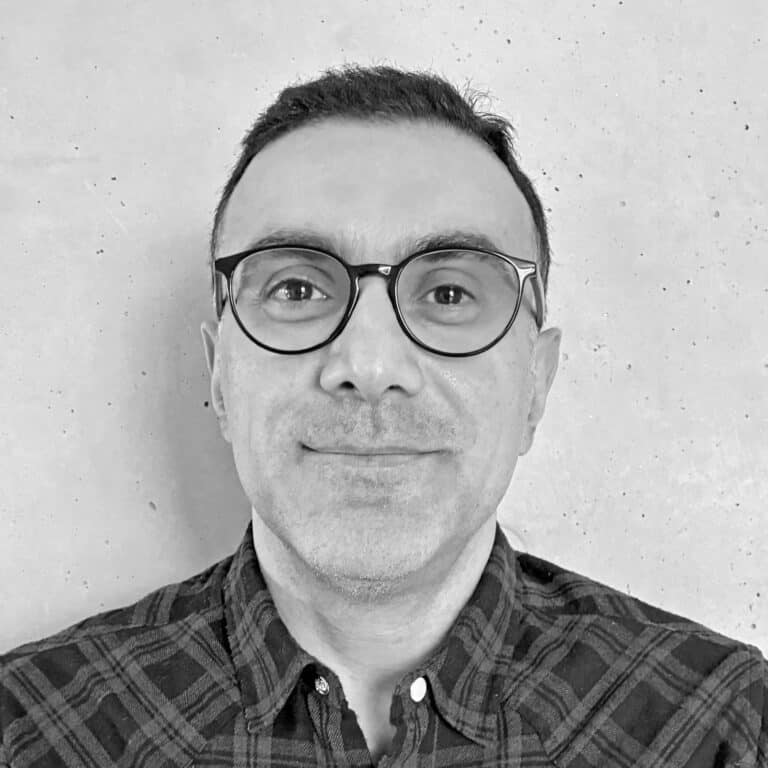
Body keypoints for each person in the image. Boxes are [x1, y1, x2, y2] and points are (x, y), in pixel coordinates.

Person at [1, 64, 765, 768]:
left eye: (449, 293)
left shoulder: (721, 723)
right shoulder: (33, 727)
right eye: (297, 290)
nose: (368, 367)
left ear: (535, 385)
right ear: (220, 377)